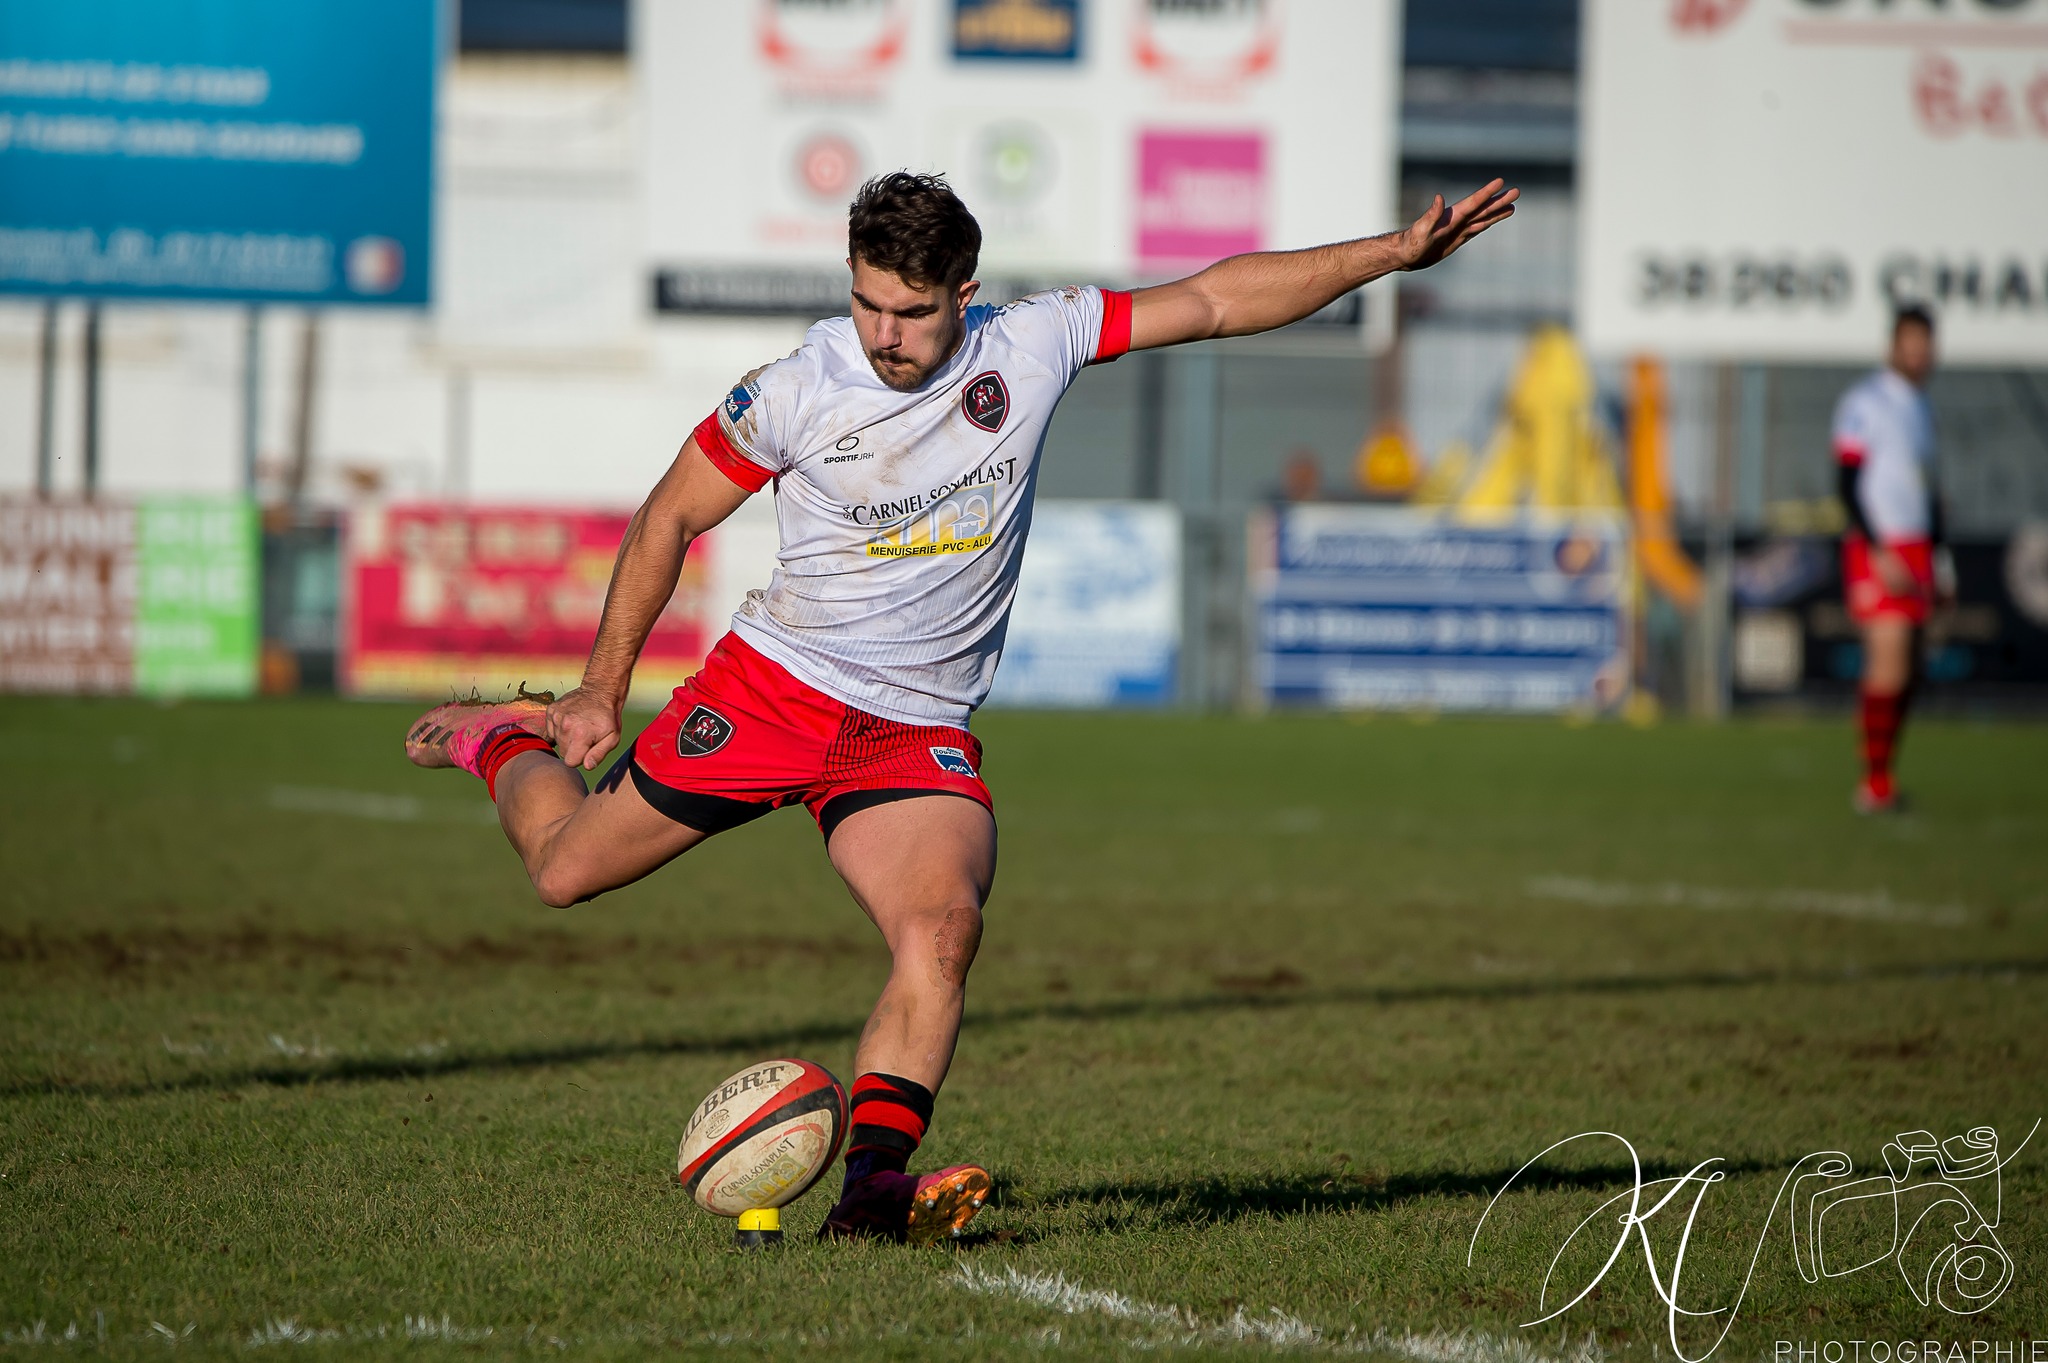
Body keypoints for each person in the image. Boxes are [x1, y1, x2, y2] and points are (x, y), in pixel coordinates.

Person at [402, 171, 1517, 1243]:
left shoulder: (1033, 342)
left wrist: (1390, 254)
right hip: (775, 689)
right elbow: (667, 518)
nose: (884, 333)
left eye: (912, 311)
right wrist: (599, 688)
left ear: (964, 294)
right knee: (565, 871)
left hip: (913, 729)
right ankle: (497, 740)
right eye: (867, 303)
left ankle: (872, 1193)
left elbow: (1218, 298)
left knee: (941, 933)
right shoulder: (793, 389)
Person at [1833, 305, 1951, 814]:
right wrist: (1877, 549)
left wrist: (1941, 563)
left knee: (1912, 669)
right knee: (1889, 662)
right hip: (1880, 546)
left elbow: (1930, 492)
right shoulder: (1867, 402)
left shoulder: (1921, 408)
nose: (1919, 353)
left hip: (1918, 547)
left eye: (1925, 344)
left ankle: (1884, 778)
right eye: (1910, 343)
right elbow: (1846, 482)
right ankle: (1874, 783)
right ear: (1893, 346)